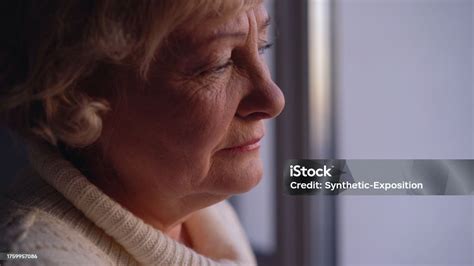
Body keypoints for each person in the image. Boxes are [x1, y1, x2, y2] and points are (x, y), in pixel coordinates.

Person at [0, 0, 285, 264]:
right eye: (217, 64)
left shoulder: (200, 211)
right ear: (74, 89)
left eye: (262, 45)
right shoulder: (35, 255)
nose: (274, 99)